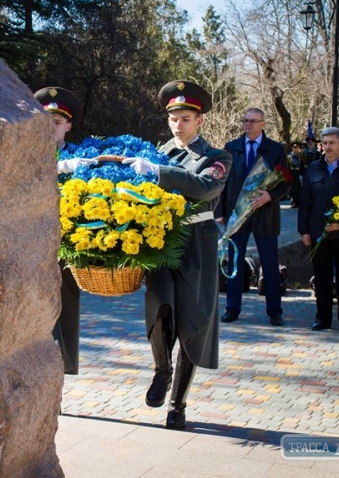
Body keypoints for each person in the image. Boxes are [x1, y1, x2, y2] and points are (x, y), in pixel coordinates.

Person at [123, 81, 231, 430]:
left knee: (191, 322)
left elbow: (205, 187)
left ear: (199, 120)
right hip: (162, 240)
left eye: (185, 118)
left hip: (197, 244)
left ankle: (178, 404)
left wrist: (159, 173)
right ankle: (161, 371)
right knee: (159, 307)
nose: (178, 125)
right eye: (173, 119)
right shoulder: (157, 152)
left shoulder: (217, 158)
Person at [215, 108, 291, 326]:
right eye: (245, 121)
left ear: (263, 123)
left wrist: (270, 195)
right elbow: (222, 182)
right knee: (234, 263)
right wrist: (220, 211)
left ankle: (274, 311)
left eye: (252, 121)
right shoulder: (231, 148)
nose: (248, 124)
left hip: (264, 214)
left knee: (269, 263)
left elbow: (286, 182)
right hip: (237, 214)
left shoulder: (275, 149)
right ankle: (232, 308)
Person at [34, 86, 92, 374]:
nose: (50, 128)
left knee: (65, 312)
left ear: (68, 125)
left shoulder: (81, 159)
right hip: (32, 245)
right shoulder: (26, 154)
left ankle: (61, 376)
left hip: (66, 244)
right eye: (45, 121)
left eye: (56, 123)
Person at [298, 127, 339, 332]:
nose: (327, 147)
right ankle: (322, 318)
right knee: (322, 277)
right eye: (324, 143)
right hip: (319, 233)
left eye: (332, 143)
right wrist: (304, 230)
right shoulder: (313, 169)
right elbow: (305, 202)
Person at [288, 141, 304, 207]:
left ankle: (300, 202)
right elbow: (288, 166)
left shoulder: (301, 155)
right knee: (293, 188)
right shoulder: (289, 156)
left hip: (298, 172)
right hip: (292, 173)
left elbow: (302, 165)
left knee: (299, 188)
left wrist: (302, 174)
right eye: (294, 147)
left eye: (297, 147)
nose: (295, 148)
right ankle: (294, 202)